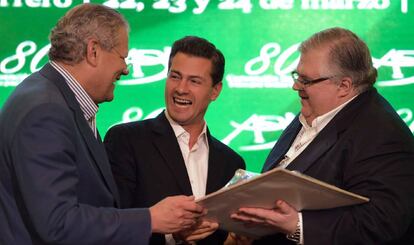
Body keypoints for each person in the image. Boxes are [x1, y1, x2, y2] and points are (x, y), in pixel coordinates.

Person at [0, 4, 205, 244]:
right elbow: (57, 223)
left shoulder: (54, 98)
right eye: (122, 57)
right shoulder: (47, 111)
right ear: (94, 51)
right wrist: (150, 219)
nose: (125, 69)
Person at [230, 27, 414, 244]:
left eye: (306, 80)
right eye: (297, 76)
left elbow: (381, 221)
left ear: (344, 86)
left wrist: (297, 225)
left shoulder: (382, 134)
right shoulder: (317, 110)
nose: (295, 85)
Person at [104, 36, 246, 244]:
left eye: (194, 81)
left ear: (215, 91)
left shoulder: (231, 164)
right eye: (175, 76)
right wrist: (172, 236)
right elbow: (111, 225)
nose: (181, 88)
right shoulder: (126, 140)